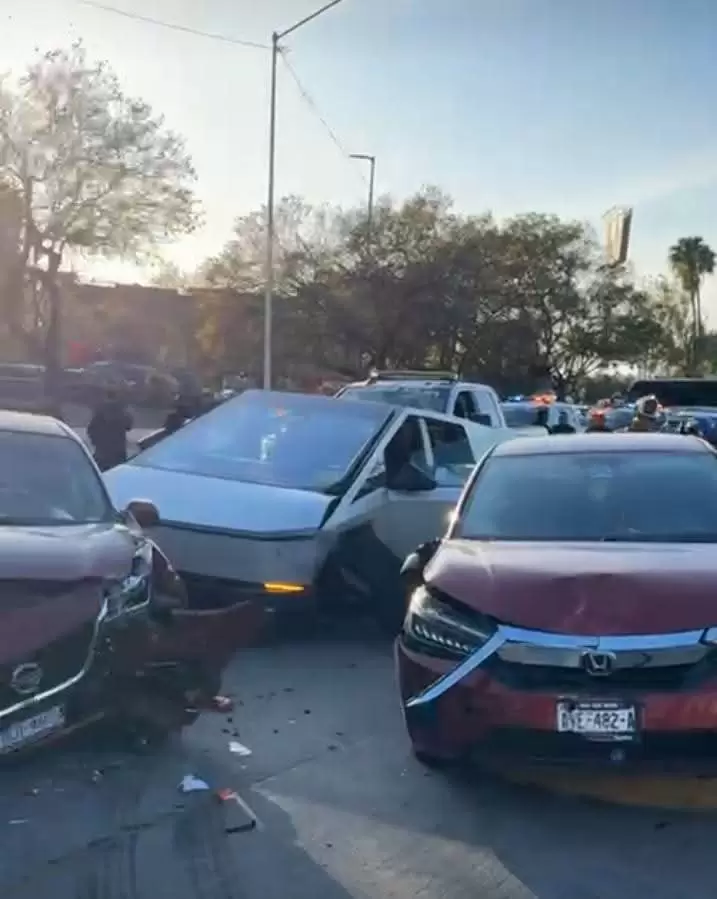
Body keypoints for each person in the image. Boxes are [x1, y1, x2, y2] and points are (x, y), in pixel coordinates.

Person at [87, 385, 133, 471]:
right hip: (118, 450)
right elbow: (129, 426)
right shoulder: (122, 411)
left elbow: (91, 429)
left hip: (102, 451)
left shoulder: (100, 410)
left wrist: (96, 442)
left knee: (100, 475)